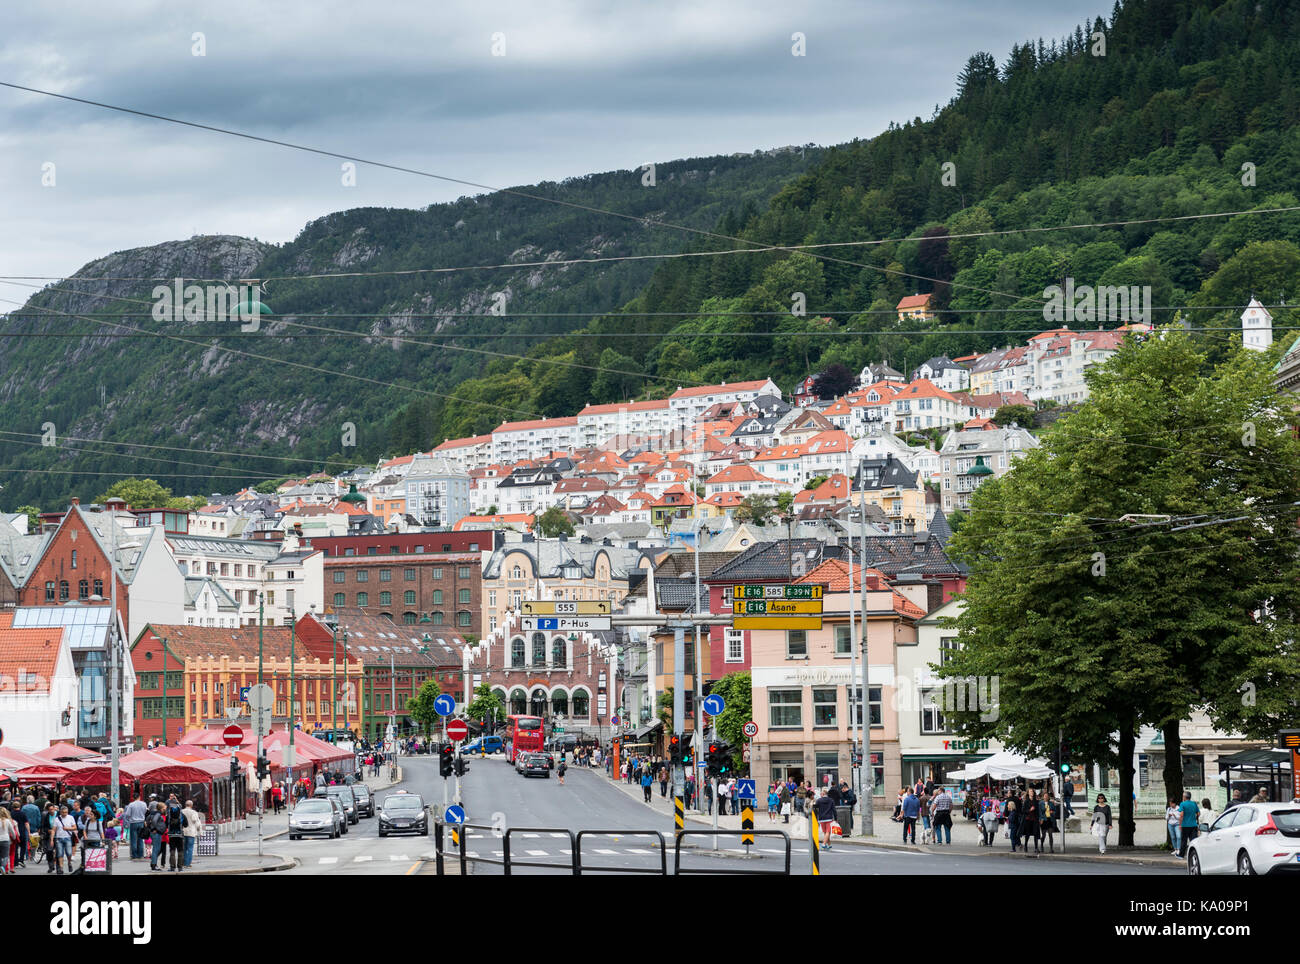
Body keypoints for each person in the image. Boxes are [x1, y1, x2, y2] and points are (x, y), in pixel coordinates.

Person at [1177, 791, 1200, 858]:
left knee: (1184, 841)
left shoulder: (1182, 804)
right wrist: (1194, 818)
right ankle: (1195, 854)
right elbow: (1198, 813)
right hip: (1193, 825)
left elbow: (1181, 815)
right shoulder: (1194, 804)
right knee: (1194, 841)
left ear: (1184, 797)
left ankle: (1181, 855)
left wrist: (1180, 824)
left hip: (1185, 825)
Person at [182, 800, 202, 867]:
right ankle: (188, 864)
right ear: (191, 805)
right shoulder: (194, 812)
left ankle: (183, 862)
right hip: (191, 832)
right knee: (190, 848)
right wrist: (200, 831)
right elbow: (196, 822)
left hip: (183, 832)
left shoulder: (181, 811)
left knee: (184, 848)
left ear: (185, 805)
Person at [1021, 788, 1041, 853]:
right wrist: (1029, 810)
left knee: (1036, 834)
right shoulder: (1026, 801)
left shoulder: (1036, 801)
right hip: (1028, 820)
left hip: (1035, 819)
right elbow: (1023, 810)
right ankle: (1026, 846)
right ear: (1028, 793)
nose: (1031, 792)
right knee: (1028, 834)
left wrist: (1039, 819)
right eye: (1030, 791)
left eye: (1032, 791)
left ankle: (1036, 848)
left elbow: (1038, 811)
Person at [148, 802, 167, 871]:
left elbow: (147, 820)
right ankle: (154, 865)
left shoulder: (153, 813)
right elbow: (154, 821)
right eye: (165, 807)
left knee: (156, 849)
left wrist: (150, 828)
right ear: (162, 808)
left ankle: (153, 863)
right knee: (156, 849)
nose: (165, 809)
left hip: (154, 833)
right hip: (157, 833)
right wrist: (154, 829)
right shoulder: (158, 814)